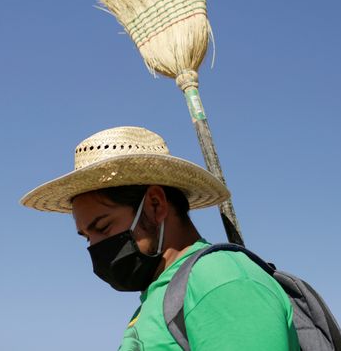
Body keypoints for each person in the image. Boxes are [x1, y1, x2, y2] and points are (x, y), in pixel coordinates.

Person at [21, 126, 300, 351]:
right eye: (86, 237)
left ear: (155, 205)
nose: (95, 248)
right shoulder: (161, 295)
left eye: (103, 228)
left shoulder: (218, 281)